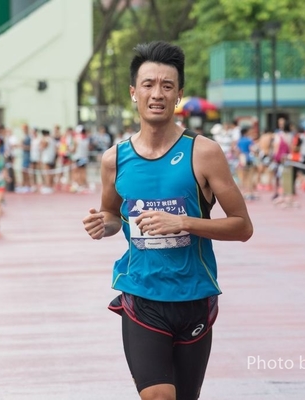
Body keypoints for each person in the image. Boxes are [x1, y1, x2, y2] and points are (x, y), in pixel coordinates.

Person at [82, 41, 253, 400]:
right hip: (142, 294)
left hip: (194, 295)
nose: (156, 94)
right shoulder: (115, 159)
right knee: (158, 396)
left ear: (178, 95)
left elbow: (242, 226)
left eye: (166, 86)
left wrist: (185, 223)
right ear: (134, 92)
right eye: (148, 84)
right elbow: (113, 214)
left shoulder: (203, 152)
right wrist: (104, 224)